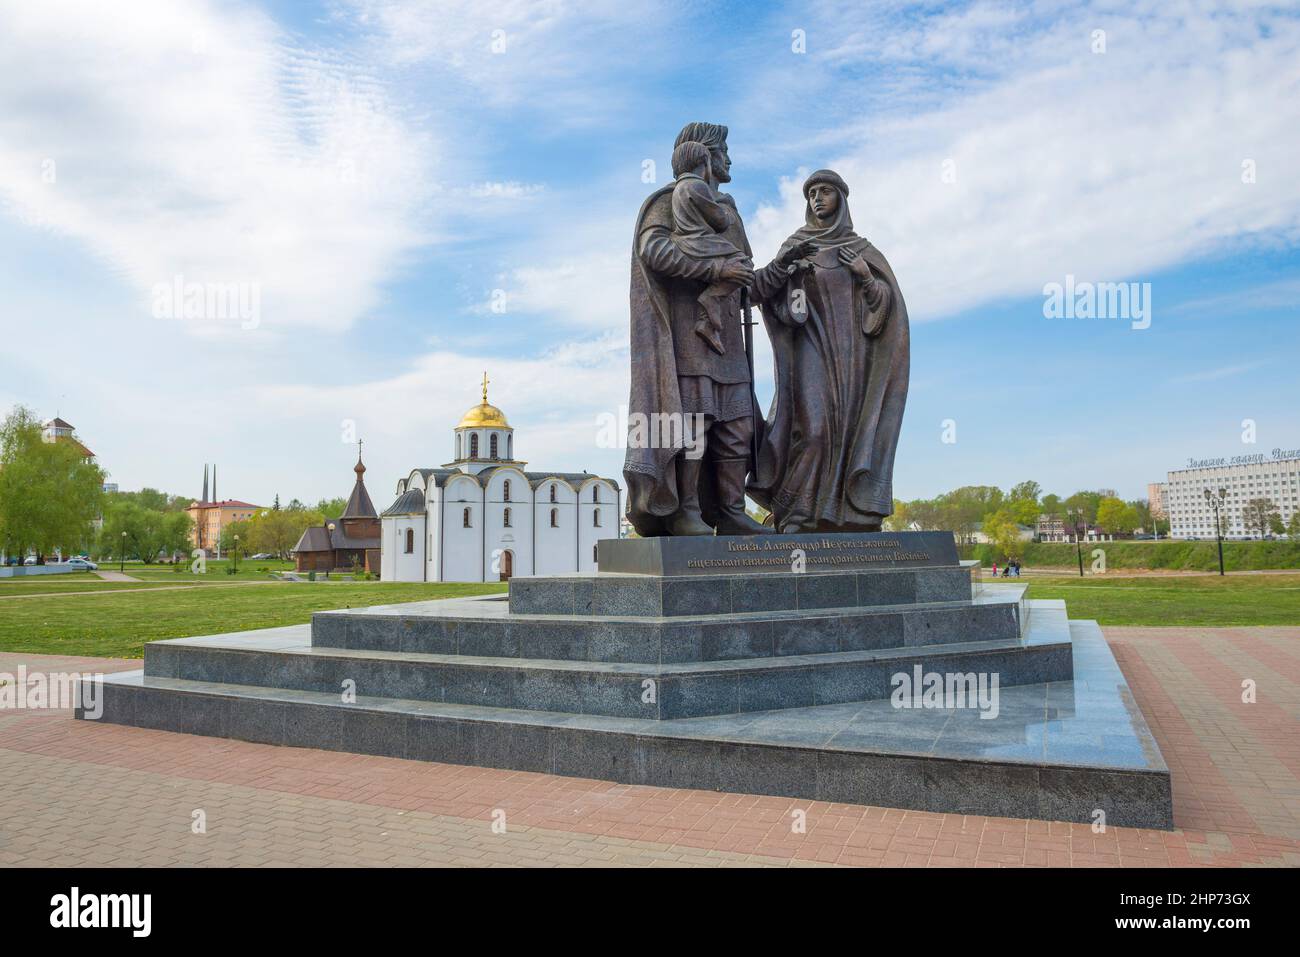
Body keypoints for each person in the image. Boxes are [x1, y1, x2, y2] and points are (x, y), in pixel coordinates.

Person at [746, 169, 910, 532]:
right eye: (811, 193)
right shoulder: (797, 245)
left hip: (854, 359)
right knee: (815, 429)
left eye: (824, 192)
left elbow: (886, 308)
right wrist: (792, 272)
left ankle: (846, 514)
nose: (816, 198)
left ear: (841, 198)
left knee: (846, 432)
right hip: (810, 351)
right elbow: (776, 301)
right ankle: (796, 511)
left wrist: (864, 274)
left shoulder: (862, 249)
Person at [668, 140, 753, 355]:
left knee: (742, 267)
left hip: (693, 241)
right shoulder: (696, 186)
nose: (729, 160)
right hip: (700, 242)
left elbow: (750, 289)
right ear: (704, 161)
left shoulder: (680, 188)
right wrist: (726, 211)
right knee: (744, 263)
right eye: (723, 151)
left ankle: (708, 320)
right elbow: (719, 221)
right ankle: (711, 299)